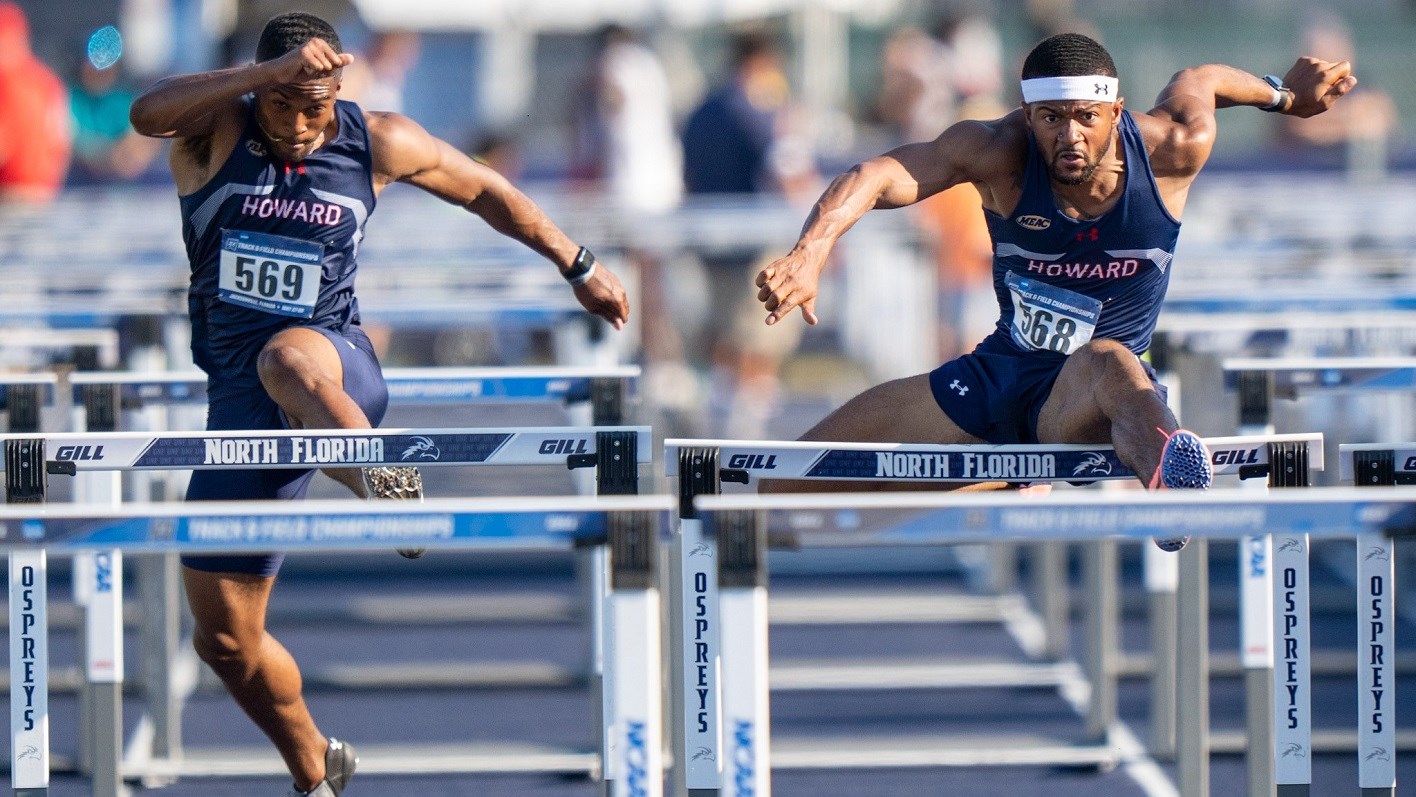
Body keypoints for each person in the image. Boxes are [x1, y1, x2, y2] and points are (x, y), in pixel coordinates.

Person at [128, 12, 629, 796]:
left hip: (337, 370)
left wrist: (577, 261)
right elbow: (144, 112)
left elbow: (484, 189)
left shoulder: (378, 139)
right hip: (240, 405)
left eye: (314, 108)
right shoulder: (213, 131)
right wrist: (267, 75)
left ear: (340, 93)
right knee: (225, 639)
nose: (299, 125)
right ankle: (315, 767)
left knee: (287, 355)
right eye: (283, 105)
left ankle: (387, 485)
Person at [753, 32, 1356, 548]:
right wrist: (811, 252)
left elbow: (1201, 78)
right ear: (1027, 115)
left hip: (1088, 394)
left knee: (1108, 361)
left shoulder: (1173, 148)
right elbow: (880, 174)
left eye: (1086, 118)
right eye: (1051, 119)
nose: (1069, 137)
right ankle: (1009, 475)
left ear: (1116, 113)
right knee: (775, 492)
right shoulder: (997, 151)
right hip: (998, 372)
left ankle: (1172, 489)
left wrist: (1282, 96)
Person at [0, 1, 72, 202]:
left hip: (7, 195)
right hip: (43, 193)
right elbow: (62, 140)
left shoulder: (5, 79)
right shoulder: (48, 80)